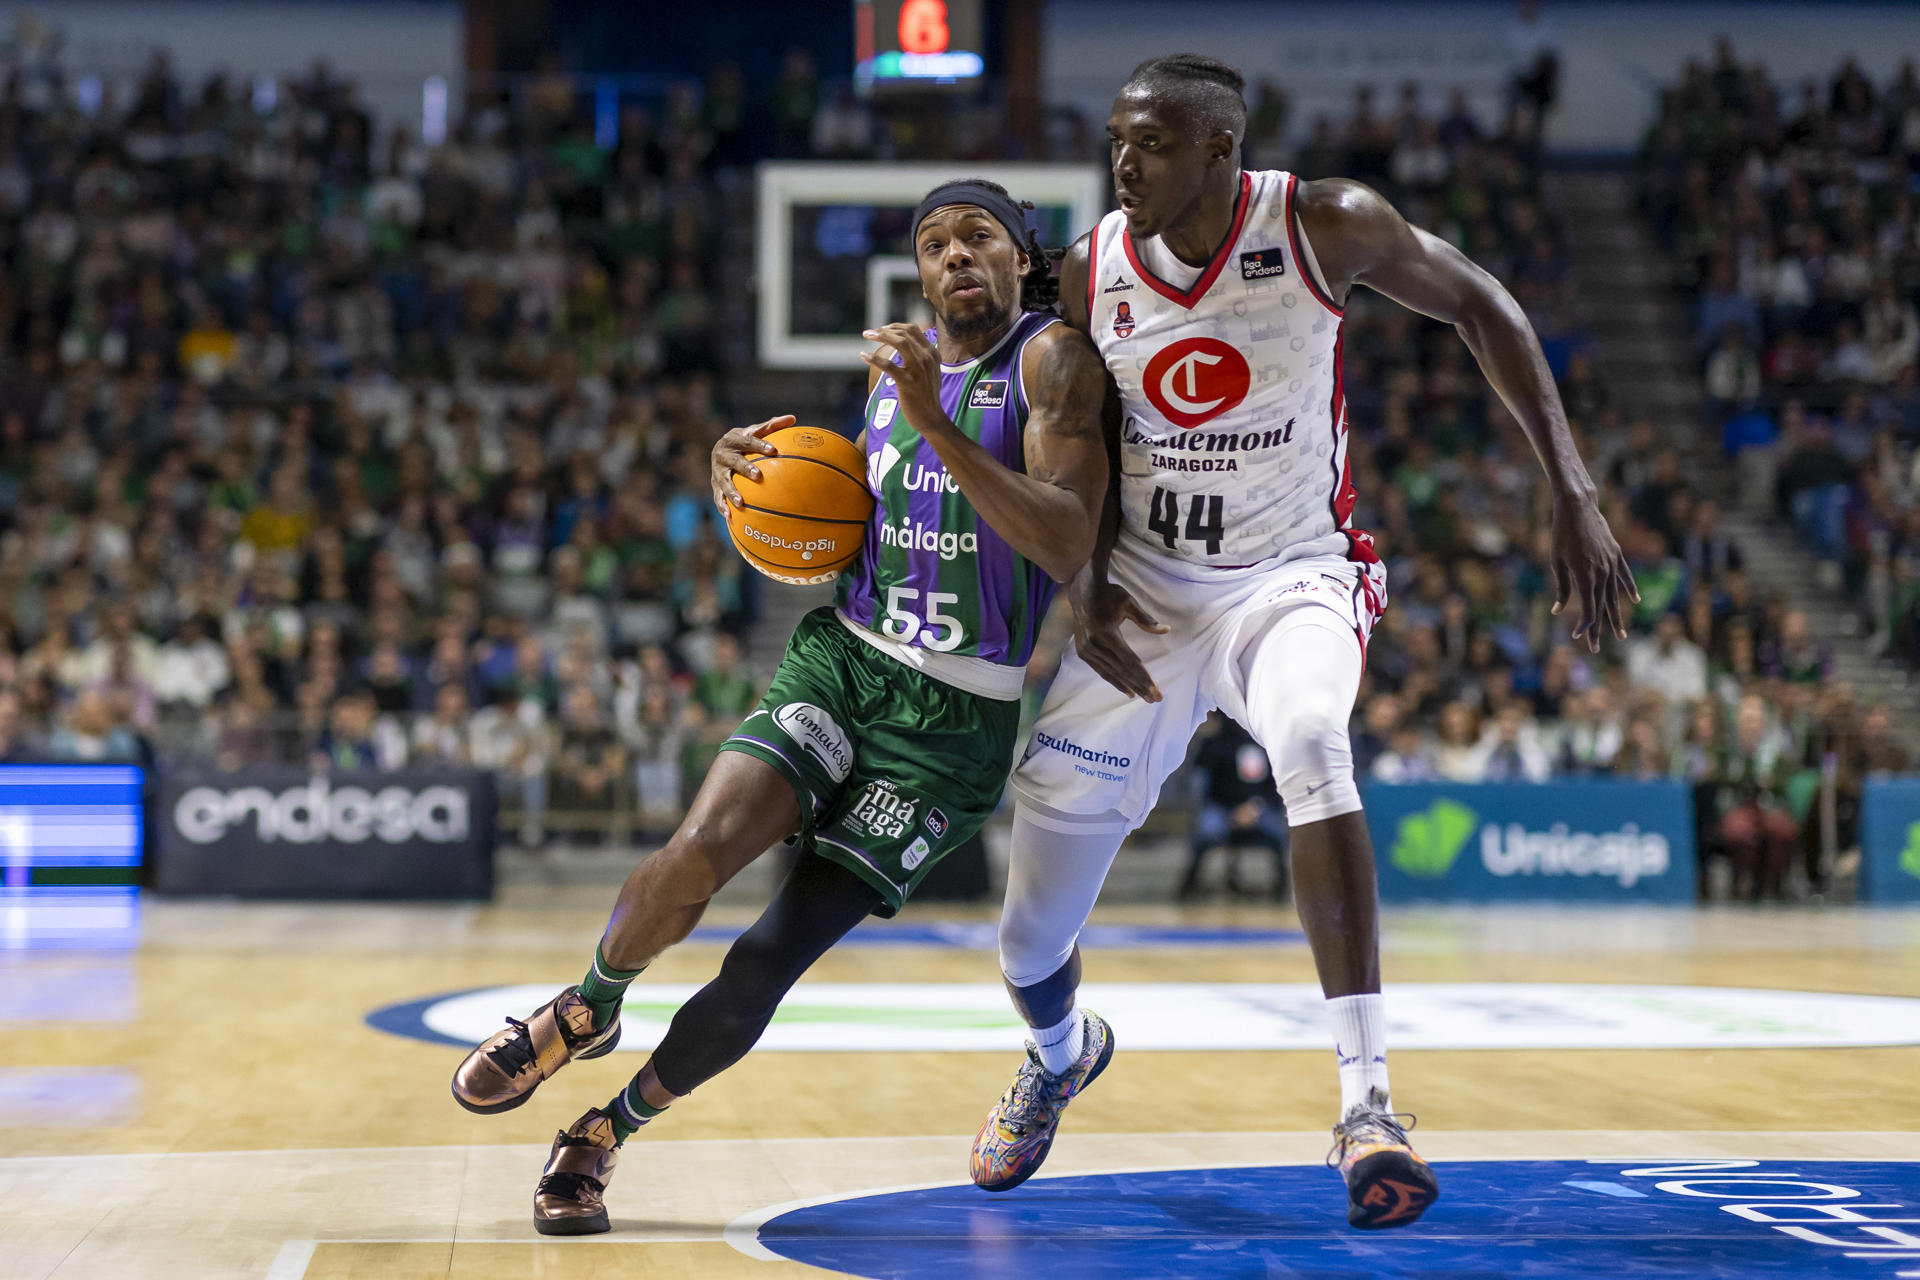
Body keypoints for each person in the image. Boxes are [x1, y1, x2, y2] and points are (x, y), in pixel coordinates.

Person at [972, 54, 1636, 1230]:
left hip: (1294, 575)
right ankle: (1061, 1049)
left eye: (1156, 143)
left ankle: (1368, 1106)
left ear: (1223, 150)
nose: (1126, 163)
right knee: (1027, 930)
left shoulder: (1325, 222)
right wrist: (1082, 588)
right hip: (1147, 600)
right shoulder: (1085, 272)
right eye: (1118, 141)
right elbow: (1075, 447)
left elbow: (1485, 303)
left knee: (1314, 740)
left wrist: (1571, 489)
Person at [448, 179, 1109, 1235]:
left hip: (950, 728)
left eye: (977, 234)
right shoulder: (893, 372)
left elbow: (1067, 541)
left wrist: (938, 416)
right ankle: (586, 1005)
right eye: (934, 242)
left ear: (1022, 255)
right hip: (848, 660)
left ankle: (603, 1131)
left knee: (767, 957)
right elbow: (857, 519)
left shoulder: (1050, 360)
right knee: (700, 845)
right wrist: (746, 487)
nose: (955, 256)